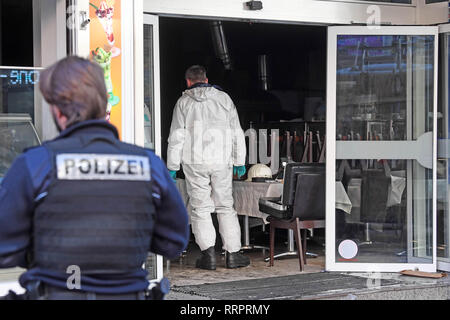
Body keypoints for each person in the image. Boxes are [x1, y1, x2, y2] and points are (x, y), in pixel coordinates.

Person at [0, 56, 189, 300]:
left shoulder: (36, 163)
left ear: (57, 111)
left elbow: (4, 250)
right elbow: (174, 242)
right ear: (103, 103)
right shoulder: (148, 165)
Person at [167, 65, 249, 270]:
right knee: (224, 206)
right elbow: (236, 132)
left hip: (194, 161)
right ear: (206, 79)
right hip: (221, 161)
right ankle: (233, 255)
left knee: (200, 208)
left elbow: (177, 136)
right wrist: (239, 161)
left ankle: (208, 256)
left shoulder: (183, 102)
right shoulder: (224, 99)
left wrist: (172, 165)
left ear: (188, 81)